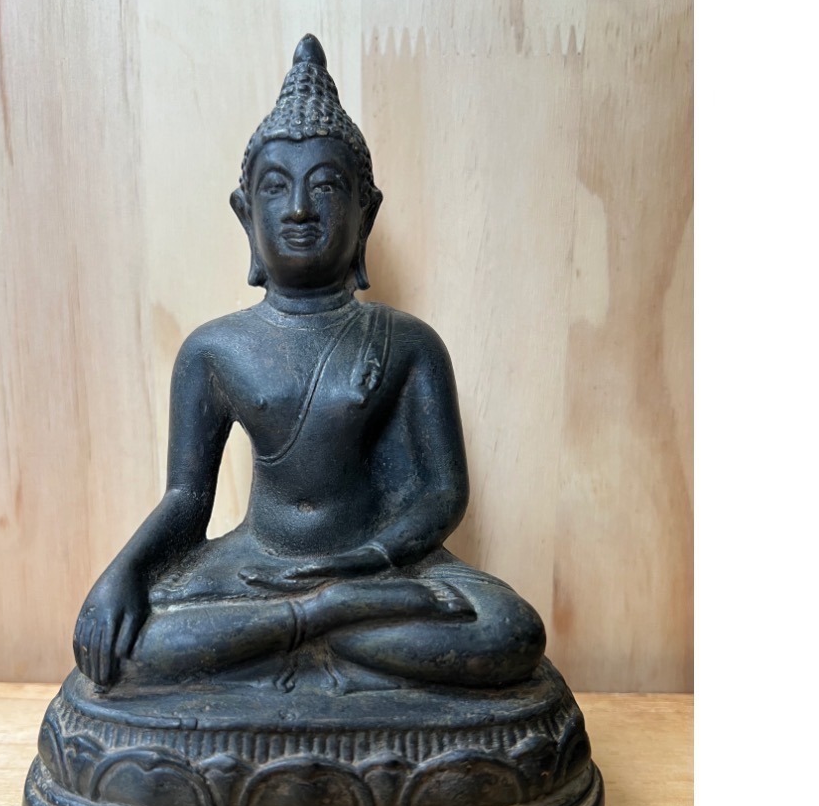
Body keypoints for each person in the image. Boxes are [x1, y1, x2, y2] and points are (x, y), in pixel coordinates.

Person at [73, 35, 545, 691]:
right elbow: (186, 499)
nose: (298, 208)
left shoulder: (408, 343)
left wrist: (369, 559)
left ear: (365, 213)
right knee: (125, 646)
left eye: (325, 186)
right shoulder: (213, 350)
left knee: (509, 631)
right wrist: (121, 573)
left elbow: (442, 493)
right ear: (246, 214)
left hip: (377, 570)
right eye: (276, 187)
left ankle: (293, 629)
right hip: (256, 565)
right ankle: (320, 619)